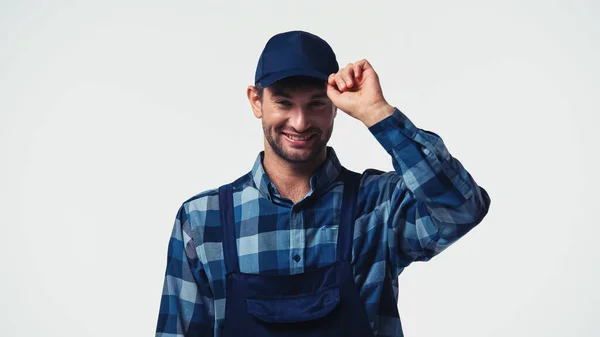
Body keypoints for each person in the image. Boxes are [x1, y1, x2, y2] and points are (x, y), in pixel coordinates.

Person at [155, 30, 491, 337]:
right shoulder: (203, 220)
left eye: (316, 103)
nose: (300, 123)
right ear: (256, 101)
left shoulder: (380, 206)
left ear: (335, 107)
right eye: (284, 102)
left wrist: (377, 112)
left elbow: (462, 208)